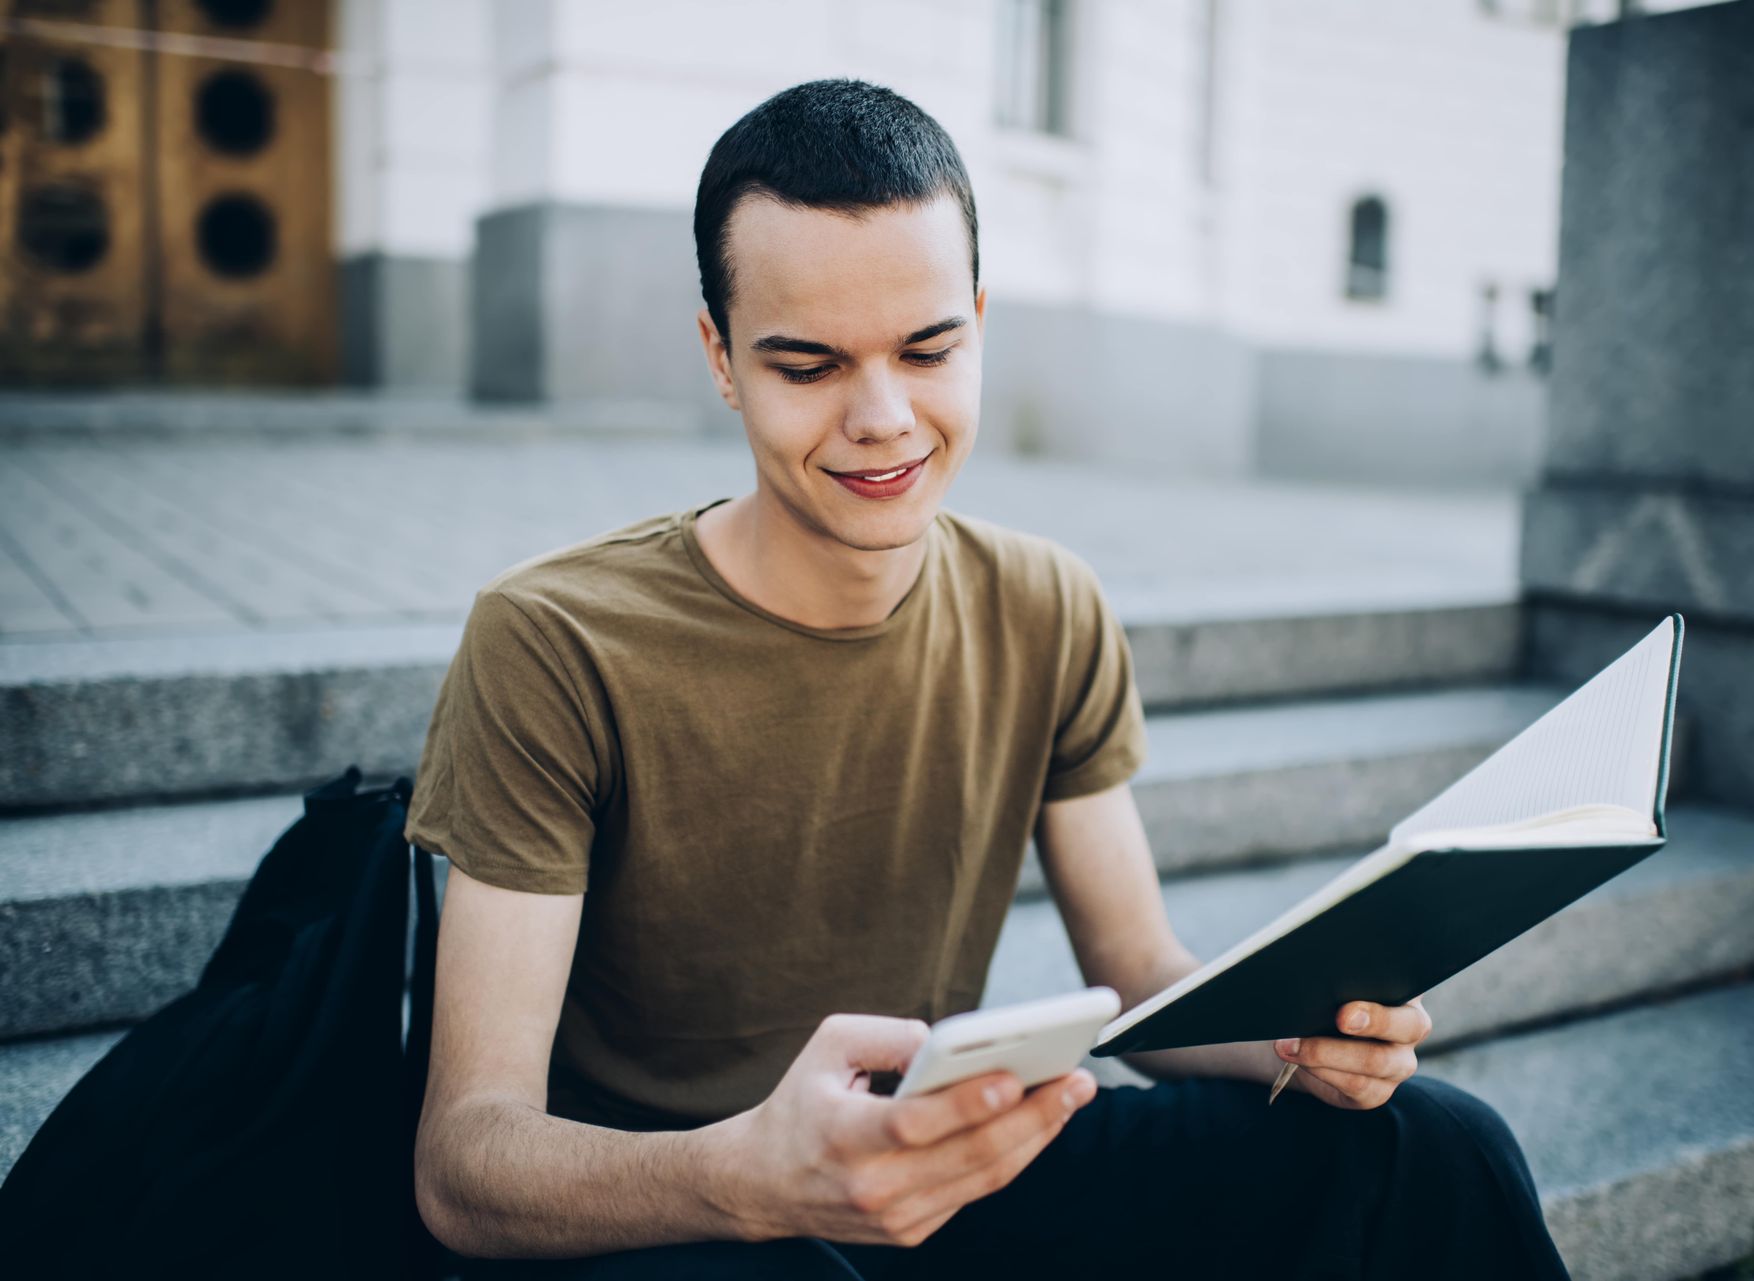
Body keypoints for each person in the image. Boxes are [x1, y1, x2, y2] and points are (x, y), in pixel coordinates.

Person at [406, 78, 1569, 1281]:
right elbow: (465, 1162)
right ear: (720, 357)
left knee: (1434, 1149)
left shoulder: (1043, 602)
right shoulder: (552, 640)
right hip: (675, 1211)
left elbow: (1134, 973)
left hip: (936, 1174)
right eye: (806, 365)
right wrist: (749, 1175)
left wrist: (1293, 1040)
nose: (882, 418)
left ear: (978, 322)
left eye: (928, 350)